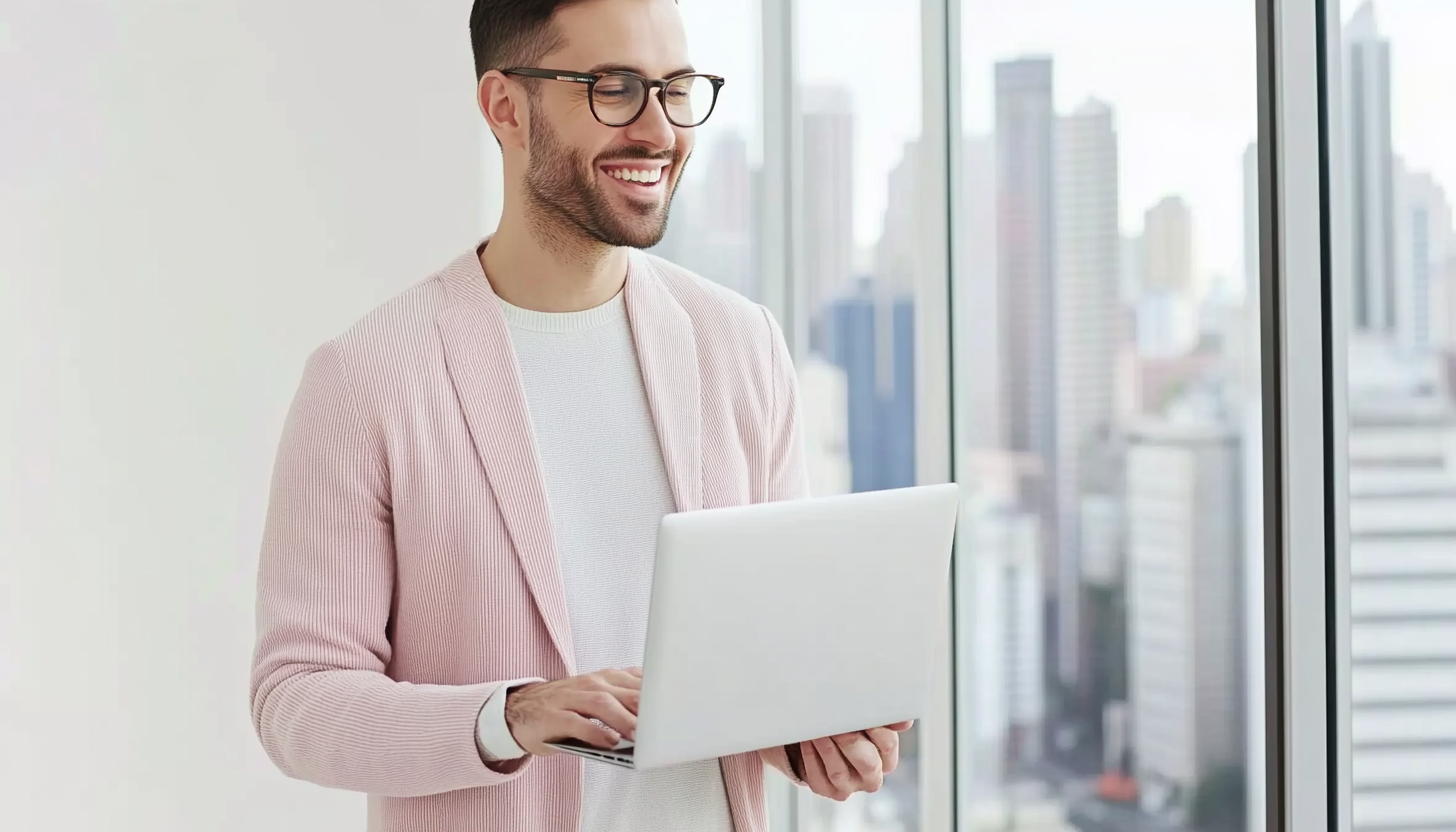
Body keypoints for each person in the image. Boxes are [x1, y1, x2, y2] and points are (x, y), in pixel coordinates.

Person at [248, 0, 911, 829]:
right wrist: (510, 714)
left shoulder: (741, 344)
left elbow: (767, 659)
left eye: (676, 89)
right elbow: (296, 704)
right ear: (504, 107)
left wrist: (811, 735)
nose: (659, 129)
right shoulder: (367, 379)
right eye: (615, 88)